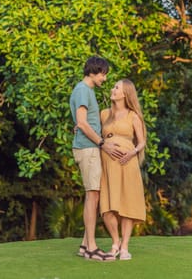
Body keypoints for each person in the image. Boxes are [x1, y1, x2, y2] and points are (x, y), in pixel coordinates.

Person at [69, 56, 122, 261]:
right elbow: (82, 123)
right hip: (88, 149)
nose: (105, 78)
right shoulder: (82, 90)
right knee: (93, 196)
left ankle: (85, 245)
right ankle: (91, 246)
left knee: (94, 196)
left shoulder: (86, 91)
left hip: (89, 148)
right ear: (93, 71)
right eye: (103, 74)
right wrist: (102, 143)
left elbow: (83, 121)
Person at [99, 79, 147, 261]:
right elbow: (94, 133)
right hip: (107, 165)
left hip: (127, 164)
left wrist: (132, 153)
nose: (113, 89)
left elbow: (141, 141)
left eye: (116, 87)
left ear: (125, 94)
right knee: (107, 206)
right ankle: (115, 243)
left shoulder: (133, 116)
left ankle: (125, 247)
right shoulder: (104, 114)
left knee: (127, 204)